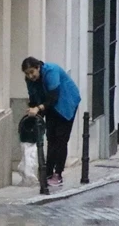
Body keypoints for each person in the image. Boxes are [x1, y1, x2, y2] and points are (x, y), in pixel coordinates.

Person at [22, 56, 81, 186]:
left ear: (38, 67)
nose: (30, 76)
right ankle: (47, 172)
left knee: (61, 139)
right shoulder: (29, 79)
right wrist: (33, 110)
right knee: (51, 138)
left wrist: (38, 108)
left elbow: (54, 96)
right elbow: (33, 97)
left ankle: (58, 173)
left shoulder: (51, 71)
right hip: (50, 105)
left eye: (32, 72)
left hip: (66, 103)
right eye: (27, 74)